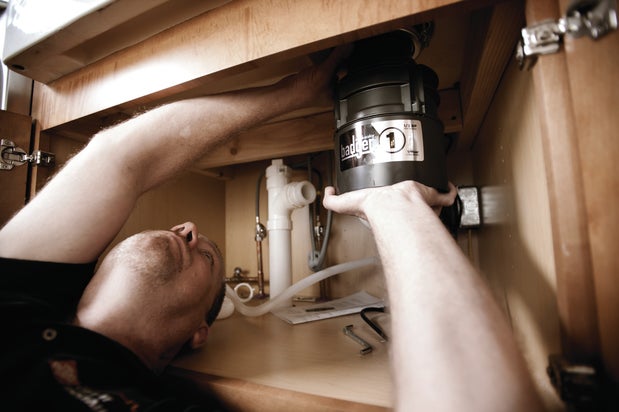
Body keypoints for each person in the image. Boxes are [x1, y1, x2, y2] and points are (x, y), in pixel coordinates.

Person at [0, 46, 542, 410]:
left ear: (199, 333)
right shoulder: (16, 291)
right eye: (204, 248)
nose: (187, 228)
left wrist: (391, 204)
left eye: (207, 257)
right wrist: (294, 92)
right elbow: (122, 157)